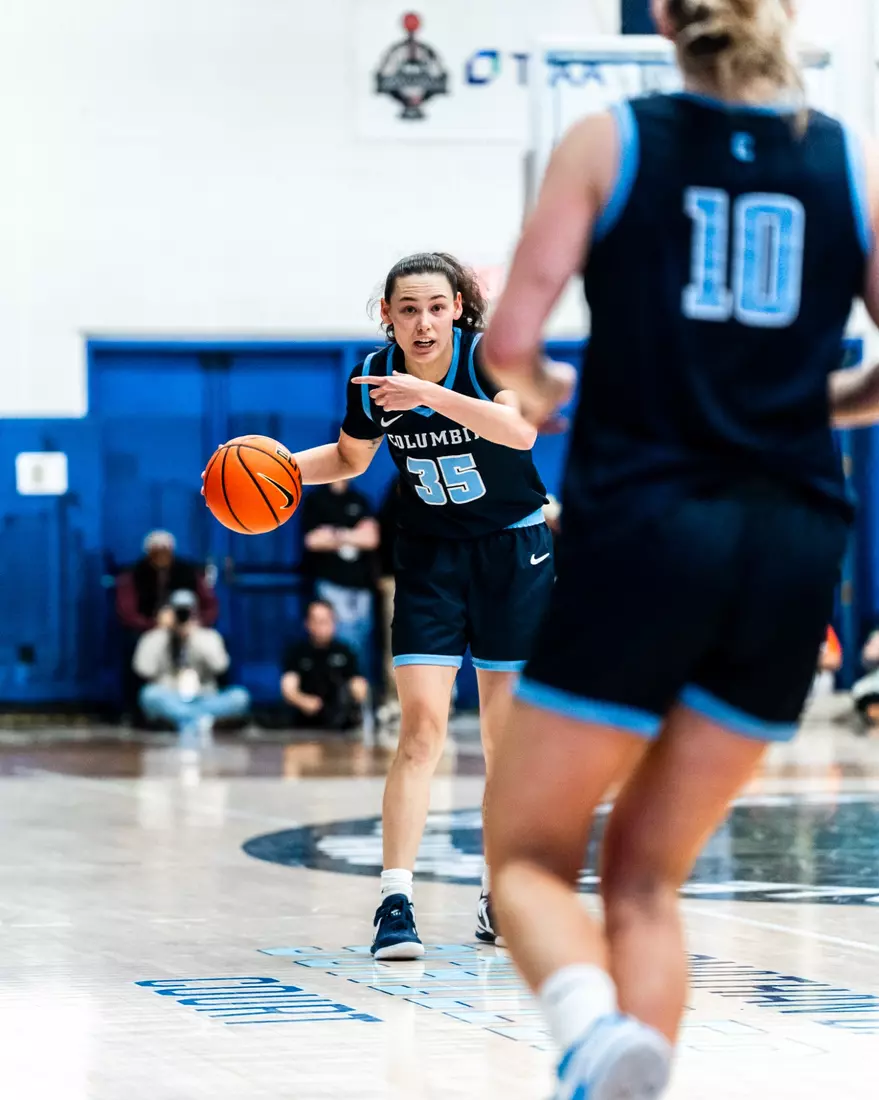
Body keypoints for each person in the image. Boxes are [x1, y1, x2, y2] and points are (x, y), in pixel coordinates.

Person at [480, 1, 879, 1097]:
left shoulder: (612, 138)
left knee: (524, 853)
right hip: (794, 544)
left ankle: (584, 1026)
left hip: (649, 525)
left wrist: (557, 388)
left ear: (664, 15)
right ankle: (622, 1066)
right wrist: (825, 403)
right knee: (648, 877)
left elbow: (509, 344)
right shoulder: (847, 162)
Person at [208, 252, 554, 958]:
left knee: (502, 744)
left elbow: (517, 432)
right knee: (421, 733)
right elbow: (349, 459)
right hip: (429, 559)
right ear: (386, 317)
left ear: (457, 307)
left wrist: (426, 398)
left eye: (434, 306)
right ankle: (394, 900)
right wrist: (264, 470)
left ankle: (497, 895)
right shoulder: (371, 378)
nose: (422, 321)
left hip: (512, 555)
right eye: (407, 309)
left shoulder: (489, 360)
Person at [134, 590, 250, 738]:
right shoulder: (155, 637)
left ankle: (186, 720)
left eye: (186, 612)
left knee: (240, 697)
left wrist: (194, 635)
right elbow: (144, 669)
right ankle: (200, 720)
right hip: (170, 696)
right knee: (148, 695)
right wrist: (161, 632)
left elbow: (220, 666)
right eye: (178, 611)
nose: (182, 617)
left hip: (204, 697)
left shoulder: (208, 636)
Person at [299, 481, 379, 676]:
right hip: (331, 584)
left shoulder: (359, 500)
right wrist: (354, 534)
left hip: (360, 586)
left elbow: (371, 539)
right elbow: (312, 540)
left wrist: (335, 534)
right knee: (340, 641)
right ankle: (339, 698)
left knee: (362, 644)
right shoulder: (316, 499)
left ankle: (361, 699)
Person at [281, 600, 369, 731]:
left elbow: (358, 682)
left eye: (327, 621)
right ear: (308, 623)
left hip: (341, 724)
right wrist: (303, 701)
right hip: (305, 724)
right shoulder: (297, 652)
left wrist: (356, 695)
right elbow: (288, 687)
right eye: (317, 621)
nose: (322, 627)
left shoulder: (345, 651)